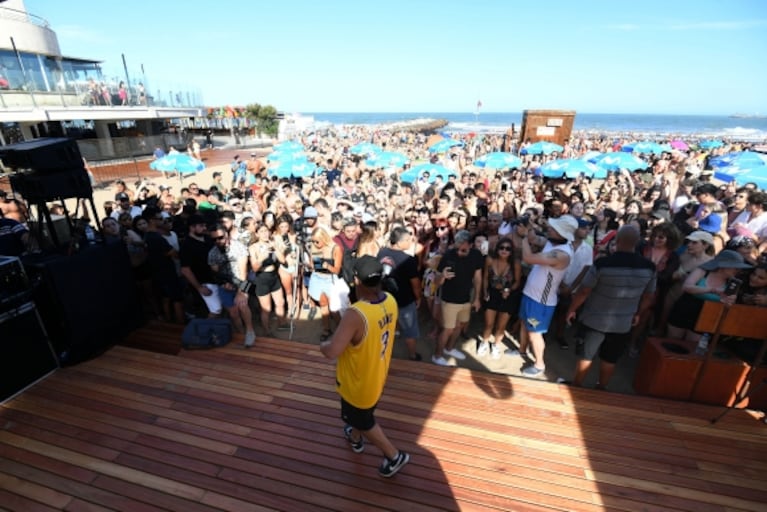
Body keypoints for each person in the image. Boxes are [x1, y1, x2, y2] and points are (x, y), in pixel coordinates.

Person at [319, 256, 410, 478]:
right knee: (360, 416)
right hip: (377, 375)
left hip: (357, 381)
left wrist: (323, 345)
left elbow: (332, 352)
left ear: (357, 280)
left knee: (363, 420)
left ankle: (394, 455)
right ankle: (356, 439)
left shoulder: (355, 314)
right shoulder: (390, 300)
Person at [566, 226, 657, 389]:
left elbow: (584, 291)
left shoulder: (602, 264)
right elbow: (649, 296)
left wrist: (571, 309)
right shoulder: (649, 267)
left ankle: (577, 386)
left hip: (594, 319)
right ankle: (601, 388)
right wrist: (638, 313)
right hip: (623, 323)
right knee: (610, 358)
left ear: (617, 241)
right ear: (637, 243)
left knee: (586, 355)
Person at [512, 215, 577, 377]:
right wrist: (530, 229)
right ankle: (522, 350)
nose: (550, 228)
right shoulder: (552, 241)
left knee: (535, 333)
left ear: (562, 234)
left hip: (541, 301)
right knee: (523, 323)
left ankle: (539, 365)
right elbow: (535, 238)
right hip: (531, 294)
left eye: (554, 228)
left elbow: (528, 257)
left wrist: (524, 237)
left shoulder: (562, 254)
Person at [667, 250, 752, 342]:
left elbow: (728, 306)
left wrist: (729, 301)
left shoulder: (732, 283)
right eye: (736, 267)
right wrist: (713, 290)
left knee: (693, 346)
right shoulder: (703, 271)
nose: (738, 271)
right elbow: (686, 287)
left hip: (708, 315)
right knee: (673, 340)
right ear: (724, 265)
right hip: (686, 308)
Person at [432, 229, 484, 366]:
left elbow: (478, 277)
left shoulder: (476, 255)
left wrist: (477, 298)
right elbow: (436, 281)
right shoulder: (448, 255)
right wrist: (442, 276)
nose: (459, 252)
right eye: (457, 248)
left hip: (466, 299)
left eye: (463, 249)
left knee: (459, 326)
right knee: (448, 329)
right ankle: (437, 356)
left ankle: (449, 348)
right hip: (449, 300)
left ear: (470, 245)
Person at [208, 224, 257, 347]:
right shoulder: (212, 253)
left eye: (220, 238)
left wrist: (241, 292)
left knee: (243, 305)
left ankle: (250, 331)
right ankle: (241, 333)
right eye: (214, 239)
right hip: (225, 283)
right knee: (233, 312)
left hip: (241, 280)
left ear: (227, 235)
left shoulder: (238, 247)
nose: (217, 241)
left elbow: (243, 271)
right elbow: (215, 273)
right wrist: (224, 284)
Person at [377, 226, 423, 361]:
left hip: (385, 297)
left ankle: (383, 351)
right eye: (408, 240)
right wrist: (418, 297)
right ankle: (413, 355)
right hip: (404, 300)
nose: (410, 242)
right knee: (410, 330)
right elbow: (415, 283)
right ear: (399, 242)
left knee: (386, 325)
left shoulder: (382, 252)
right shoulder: (407, 260)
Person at [478, 236, 521, 359]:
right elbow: (485, 277)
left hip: (508, 296)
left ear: (511, 251)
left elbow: (517, 281)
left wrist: (509, 290)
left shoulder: (515, 264)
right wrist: (485, 291)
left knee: (501, 326)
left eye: (508, 249)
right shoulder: (490, 260)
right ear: (497, 249)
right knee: (488, 324)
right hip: (492, 293)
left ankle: (496, 345)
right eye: (501, 248)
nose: (504, 250)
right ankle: (484, 342)